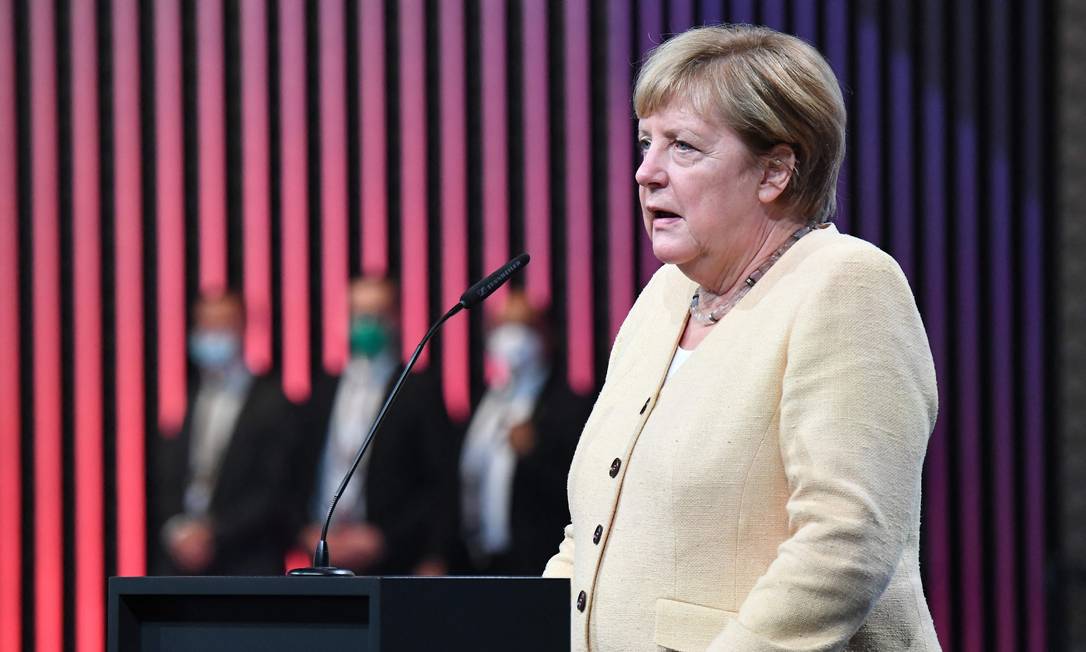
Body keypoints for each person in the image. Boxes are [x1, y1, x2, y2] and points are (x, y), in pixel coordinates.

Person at [543, 25, 940, 651]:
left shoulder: (847, 285)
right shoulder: (662, 299)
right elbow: (593, 531)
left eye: (683, 148)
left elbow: (844, 542)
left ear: (775, 171)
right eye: (646, 143)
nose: (645, 172)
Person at [296, 276, 457, 575]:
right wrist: (306, 532)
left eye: (376, 313)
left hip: (396, 559)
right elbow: (297, 471)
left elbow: (440, 483)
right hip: (326, 557)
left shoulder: (417, 389)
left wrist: (394, 541)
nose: (365, 323)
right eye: (358, 313)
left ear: (395, 318)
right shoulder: (324, 388)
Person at [152, 290, 301, 575]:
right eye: (205, 326)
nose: (212, 336)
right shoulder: (187, 396)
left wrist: (214, 535)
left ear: (242, 329)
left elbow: (274, 489)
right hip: (180, 565)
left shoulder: (273, 403)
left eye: (221, 326)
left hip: (246, 562)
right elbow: (168, 477)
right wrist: (177, 530)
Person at [457, 290, 591, 575]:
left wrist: (534, 452)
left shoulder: (569, 406)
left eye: (523, 326)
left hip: (537, 564)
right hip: (477, 564)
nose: (511, 337)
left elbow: (583, 492)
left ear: (546, 334)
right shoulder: (484, 399)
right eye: (502, 325)